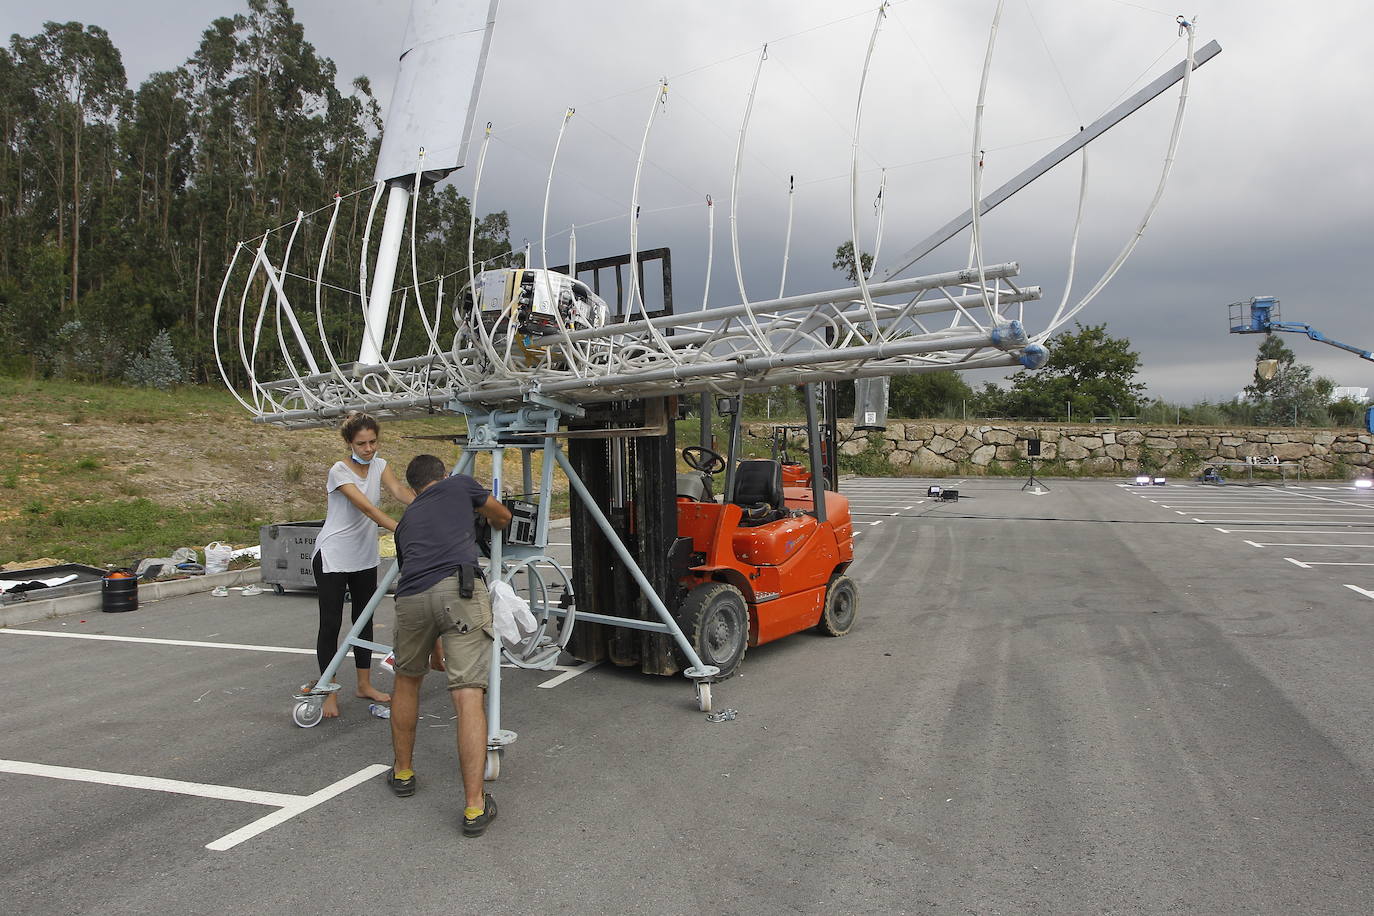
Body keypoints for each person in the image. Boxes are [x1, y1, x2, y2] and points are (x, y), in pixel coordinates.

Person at [387, 453, 511, 838]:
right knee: (467, 695)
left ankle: (403, 772)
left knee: (407, 680)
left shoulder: (405, 522)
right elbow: (502, 516)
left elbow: (419, 581)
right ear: (442, 475)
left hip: (410, 600)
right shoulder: (459, 484)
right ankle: (475, 806)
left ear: (413, 489)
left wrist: (435, 646)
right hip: (459, 591)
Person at [310, 412, 414, 718]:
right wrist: (404, 529)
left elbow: (399, 491)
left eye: (372, 442)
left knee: (363, 619)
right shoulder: (338, 471)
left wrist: (429, 501)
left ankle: (364, 683)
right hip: (334, 555)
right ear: (349, 443)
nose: (368, 449)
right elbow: (367, 508)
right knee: (330, 624)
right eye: (361, 443)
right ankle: (327, 689)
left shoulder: (380, 465)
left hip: (364, 555)